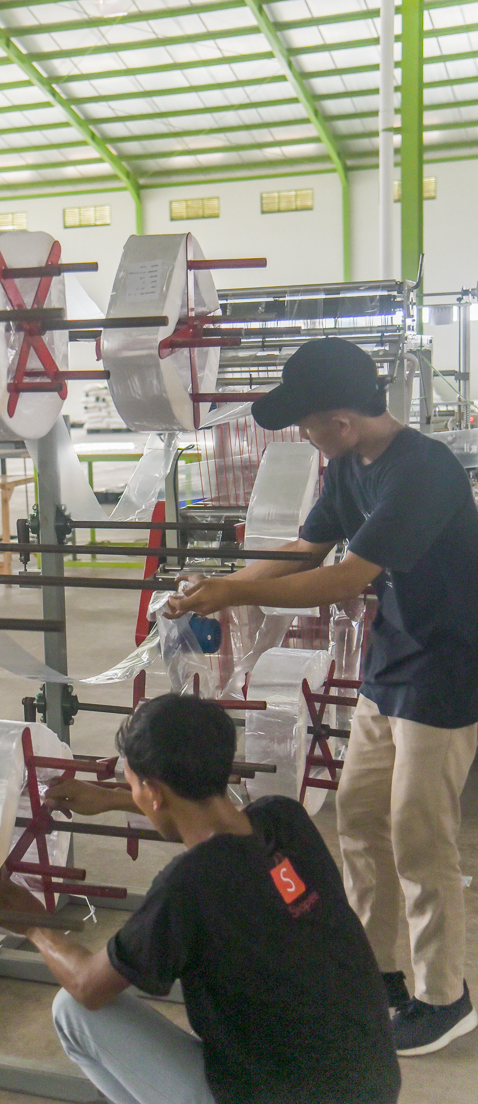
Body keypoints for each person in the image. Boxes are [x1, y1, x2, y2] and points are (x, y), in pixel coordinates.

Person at [167, 336, 478, 1056]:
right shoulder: (345, 467)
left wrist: (233, 590)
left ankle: (445, 993)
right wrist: (219, 582)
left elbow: (345, 577)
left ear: (340, 419)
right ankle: (381, 972)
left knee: (417, 834)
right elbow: (304, 550)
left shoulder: (421, 470)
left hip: (448, 667)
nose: (303, 437)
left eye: (305, 424)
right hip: (391, 659)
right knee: (360, 819)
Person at [0, 694, 401, 1104]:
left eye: (134, 785)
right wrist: (116, 799)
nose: (134, 793)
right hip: (373, 1081)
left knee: (73, 1012)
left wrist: (31, 924)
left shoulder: (186, 888)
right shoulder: (285, 819)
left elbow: (87, 987)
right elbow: (212, 822)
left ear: (154, 791)